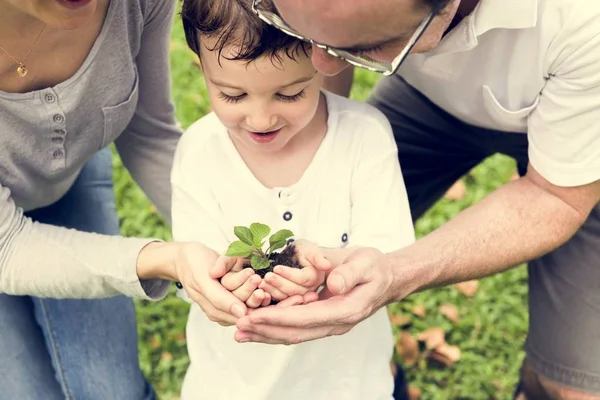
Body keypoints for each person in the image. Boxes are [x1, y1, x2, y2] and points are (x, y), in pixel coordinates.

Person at [203, 0, 600, 399]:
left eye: (366, 48)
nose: (319, 65)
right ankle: (381, 374)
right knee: (317, 251)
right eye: (304, 35)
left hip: (585, 130)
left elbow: (555, 196)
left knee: (571, 384)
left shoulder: (584, 21)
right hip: (424, 96)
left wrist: (395, 273)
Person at [171, 0, 415, 398]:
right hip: (235, 385)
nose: (261, 119)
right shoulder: (199, 151)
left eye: (289, 93)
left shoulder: (364, 136)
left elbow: (392, 256)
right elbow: (194, 271)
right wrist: (233, 283)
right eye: (233, 95)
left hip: (347, 384)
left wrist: (329, 270)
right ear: (202, 70)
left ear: (325, 61)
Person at [0, 0, 239, 398]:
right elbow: (6, 248)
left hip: (67, 180)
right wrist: (166, 259)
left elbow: (148, 133)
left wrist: (233, 246)